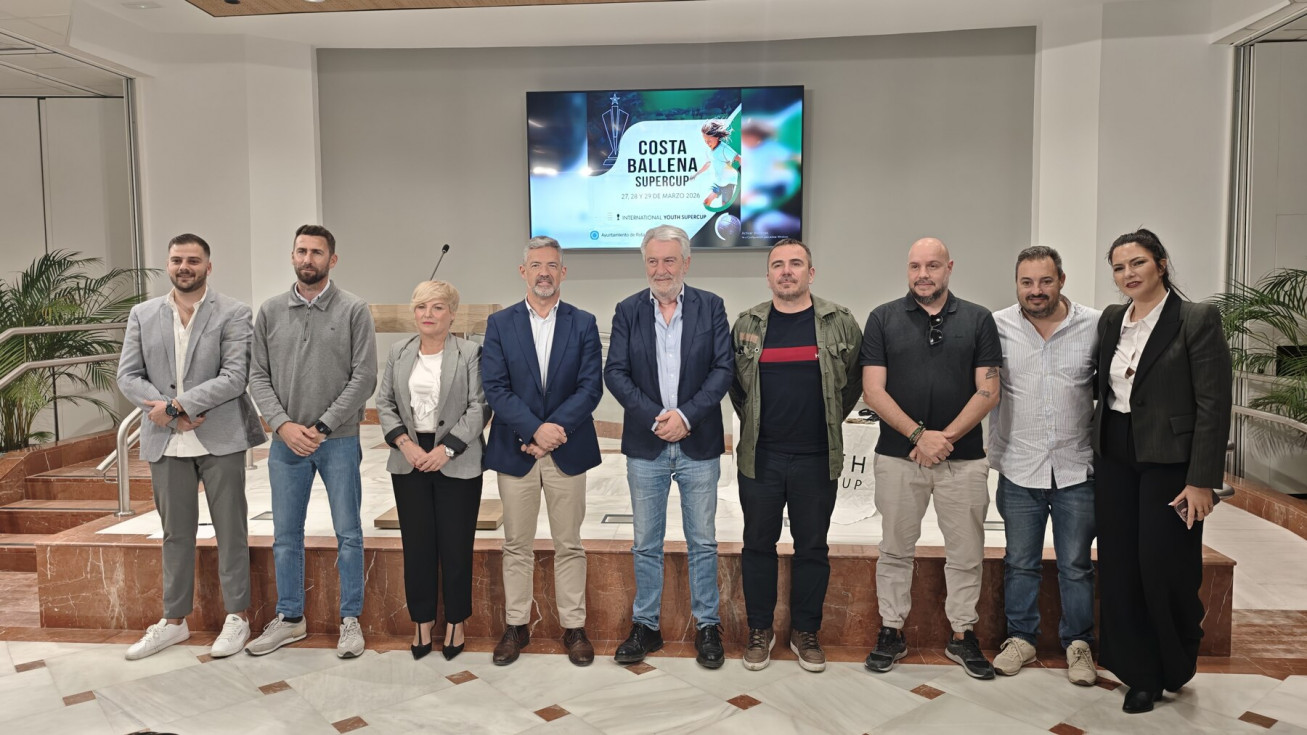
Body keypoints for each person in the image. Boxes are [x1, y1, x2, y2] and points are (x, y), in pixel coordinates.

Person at [1092, 228, 1232, 714]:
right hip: (1115, 454)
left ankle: (1171, 663)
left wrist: (1202, 480)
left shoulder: (1195, 318)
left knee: (1163, 565)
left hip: (1171, 463)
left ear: (1161, 264)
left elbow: (1213, 403)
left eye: (1137, 263)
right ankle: (1139, 672)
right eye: (1118, 267)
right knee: (1119, 564)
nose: (1127, 274)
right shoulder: (1112, 319)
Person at [116, 234, 266, 661]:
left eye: (193, 260)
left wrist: (178, 406)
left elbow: (234, 377)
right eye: (177, 259)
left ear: (208, 267)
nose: (185, 267)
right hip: (165, 440)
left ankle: (237, 617)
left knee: (231, 530)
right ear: (168, 265)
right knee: (175, 534)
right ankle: (173, 621)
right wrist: (166, 411)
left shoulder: (234, 312)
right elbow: (128, 375)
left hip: (218, 436)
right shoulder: (143, 314)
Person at [861, 237, 1002, 680]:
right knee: (894, 549)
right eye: (915, 266)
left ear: (949, 268)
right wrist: (920, 436)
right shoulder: (882, 318)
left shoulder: (978, 319)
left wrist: (945, 439)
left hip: (964, 460)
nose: (923, 274)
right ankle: (891, 631)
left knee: (966, 552)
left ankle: (963, 634)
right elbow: (873, 391)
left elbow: (989, 390)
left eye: (933, 266)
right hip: (899, 457)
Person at [730, 238, 862, 673]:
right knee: (757, 545)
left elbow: (853, 382)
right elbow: (737, 388)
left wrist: (826, 420)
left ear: (811, 272)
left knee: (812, 548)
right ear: (768, 276)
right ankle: (760, 629)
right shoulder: (747, 324)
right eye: (778, 265)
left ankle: (806, 631)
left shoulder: (840, 322)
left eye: (795, 264)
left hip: (816, 458)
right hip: (761, 458)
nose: (786, 271)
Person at [604, 225, 733, 669]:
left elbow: (723, 369)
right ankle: (646, 626)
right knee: (645, 542)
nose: (661, 269)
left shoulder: (711, 306)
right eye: (653, 261)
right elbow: (615, 372)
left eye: (669, 260)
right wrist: (658, 417)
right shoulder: (627, 310)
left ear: (686, 263)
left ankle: (708, 626)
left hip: (698, 441)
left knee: (703, 541)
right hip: (647, 443)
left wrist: (686, 417)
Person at [246, 224, 378, 659]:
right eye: (301, 251)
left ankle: (350, 620)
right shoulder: (269, 311)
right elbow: (257, 376)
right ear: (292, 256)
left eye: (317, 252)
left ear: (332, 260)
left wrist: (322, 426)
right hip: (286, 443)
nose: (308, 259)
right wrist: (282, 425)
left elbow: (364, 377)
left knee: (349, 533)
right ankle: (290, 619)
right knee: (286, 535)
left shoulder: (354, 309)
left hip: (337, 440)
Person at [482, 236, 603, 667]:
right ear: (523, 271)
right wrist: (535, 429)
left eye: (552, 265)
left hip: (567, 449)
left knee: (569, 543)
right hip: (516, 450)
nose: (544, 273)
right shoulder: (500, 324)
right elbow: (495, 387)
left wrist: (554, 431)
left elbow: (590, 387)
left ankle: (574, 627)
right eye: (536, 265)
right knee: (516, 543)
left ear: (563, 272)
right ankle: (516, 625)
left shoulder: (583, 323)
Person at [987, 246, 1100, 685]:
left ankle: (1079, 644)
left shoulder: (1095, 326)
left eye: (1045, 281)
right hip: (1020, 466)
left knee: (1076, 564)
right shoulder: (996, 326)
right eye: (1027, 282)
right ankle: (1021, 639)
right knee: (1019, 562)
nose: (1036, 290)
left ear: (1062, 280)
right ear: (1016, 283)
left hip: (1076, 469)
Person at [375, 280, 489, 661]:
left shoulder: (469, 352)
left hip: (457, 457)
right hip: (408, 457)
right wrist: (405, 444)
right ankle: (421, 621)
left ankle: (456, 621)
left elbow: (479, 406)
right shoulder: (399, 351)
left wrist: (446, 449)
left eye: (438, 307)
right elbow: (385, 402)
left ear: (452, 314)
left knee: (456, 545)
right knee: (417, 546)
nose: (428, 314)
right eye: (421, 307)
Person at [689, 119, 741, 209]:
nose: (707, 143)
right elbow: (708, 163)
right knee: (706, 202)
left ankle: (728, 217)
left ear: (716, 137)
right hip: (718, 183)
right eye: (705, 140)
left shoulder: (724, 149)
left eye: (709, 140)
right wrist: (696, 174)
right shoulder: (709, 151)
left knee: (724, 206)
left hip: (728, 183)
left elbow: (740, 159)